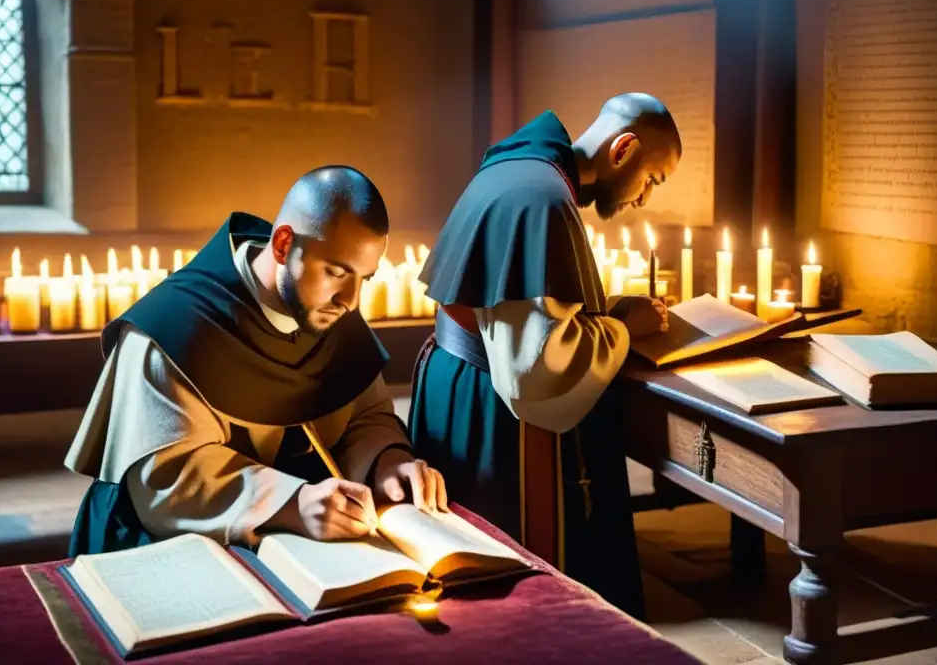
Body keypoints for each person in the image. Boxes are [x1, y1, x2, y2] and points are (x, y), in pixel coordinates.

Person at [66, 166, 447, 556]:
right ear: (283, 245)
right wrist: (291, 502)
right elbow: (168, 476)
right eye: (336, 272)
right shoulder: (171, 328)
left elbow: (365, 417)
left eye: (363, 279)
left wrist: (387, 462)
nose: (350, 301)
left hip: (304, 531)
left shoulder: (329, 310)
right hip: (172, 540)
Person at [410, 93, 682, 620]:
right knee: (523, 599)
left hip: (458, 379)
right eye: (652, 179)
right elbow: (536, 371)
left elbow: (520, 311)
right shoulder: (543, 200)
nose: (645, 198)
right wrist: (624, 328)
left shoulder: (519, 168)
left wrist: (604, 310)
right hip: (500, 414)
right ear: (623, 149)